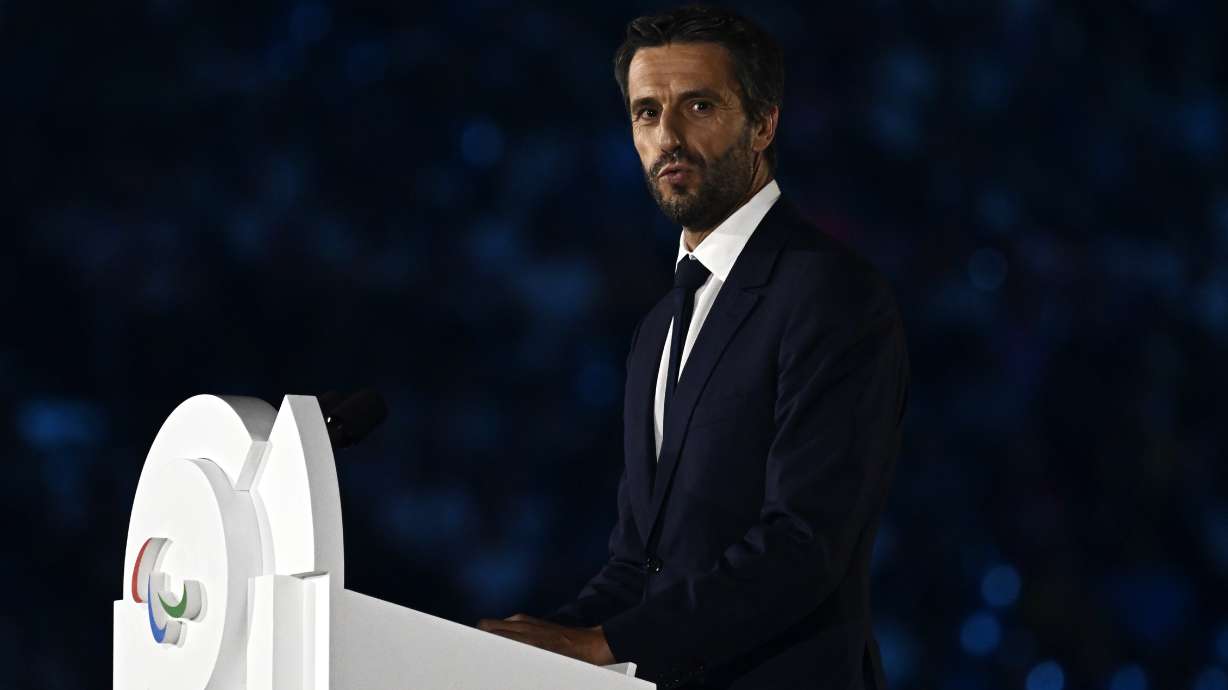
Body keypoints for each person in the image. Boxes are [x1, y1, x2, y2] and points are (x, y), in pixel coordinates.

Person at [478, 6, 910, 689]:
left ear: (763, 124)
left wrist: (603, 644)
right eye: (646, 113)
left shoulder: (831, 294)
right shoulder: (657, 329)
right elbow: (636, 563)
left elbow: (803, 546)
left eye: (698, 106)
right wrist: (523, 650)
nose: (667, 136)